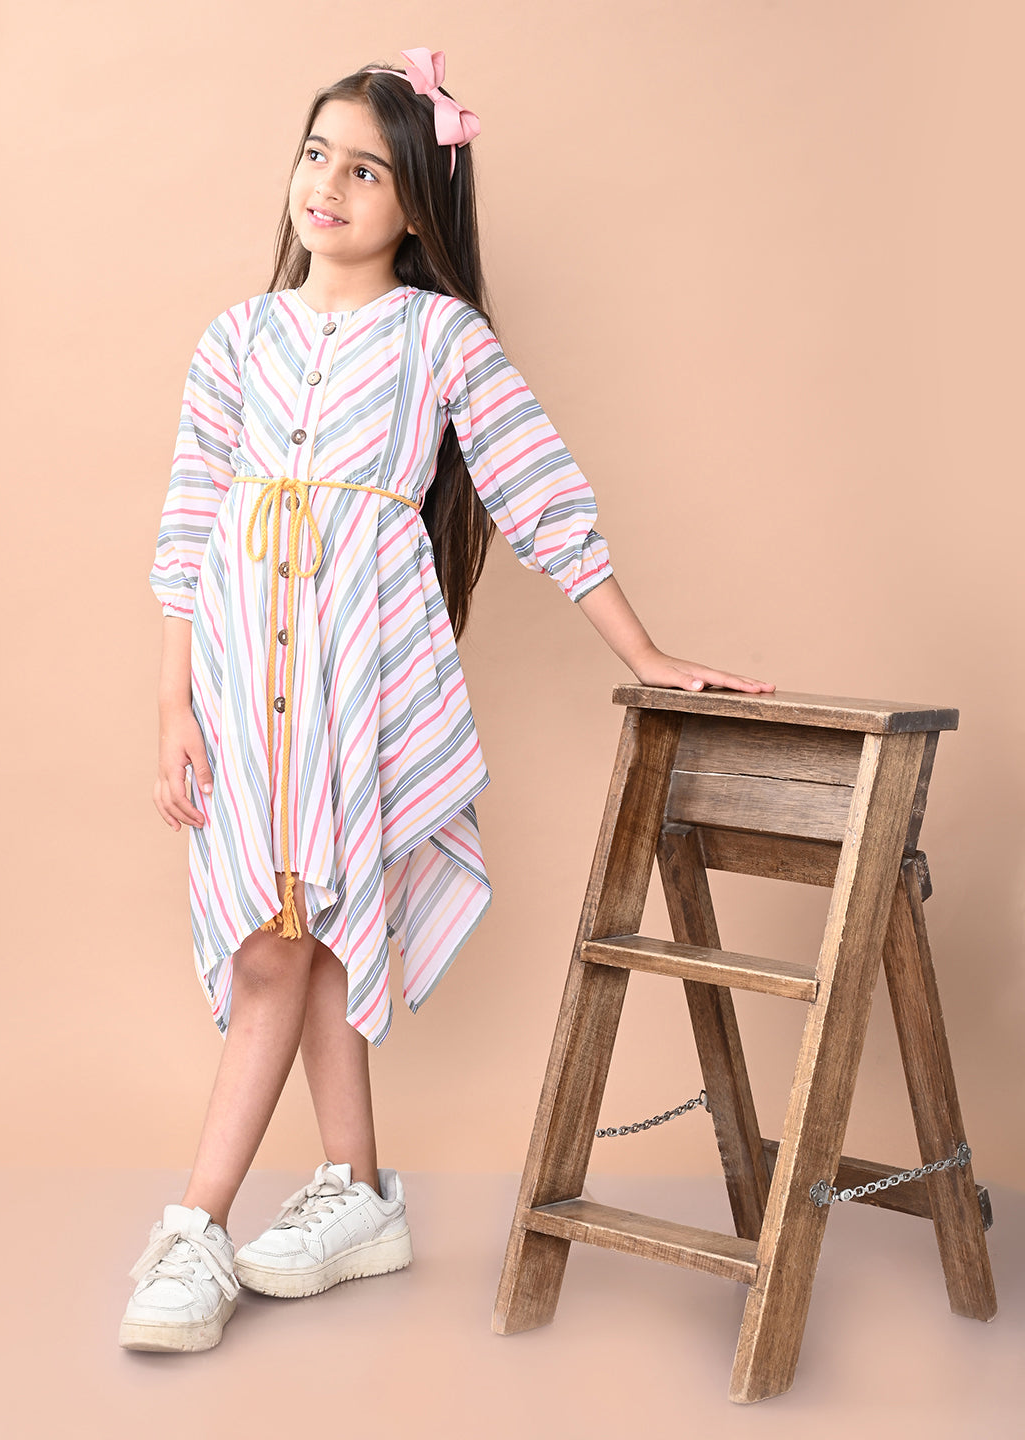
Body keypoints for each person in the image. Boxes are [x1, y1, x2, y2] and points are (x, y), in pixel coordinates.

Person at [119, 47, 775, 1353]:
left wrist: (644, 650)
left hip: (361, 682)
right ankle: (359, 1193)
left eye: (367, 170)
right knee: (298, 934)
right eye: (317, 155)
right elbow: (191, 527)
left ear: (419, 203)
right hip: (245, 691)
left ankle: (196, 1226)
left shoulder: (440, 340)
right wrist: (175, 707)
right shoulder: (236, 340)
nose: (329, 185)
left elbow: (536, 491)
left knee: (286, 944)